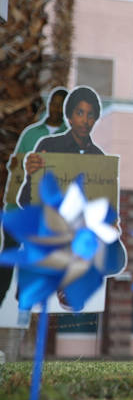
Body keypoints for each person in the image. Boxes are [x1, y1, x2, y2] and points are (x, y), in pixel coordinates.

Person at [1, 87, 69, 308]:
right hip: (18, 206)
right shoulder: (31, 133)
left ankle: (24, 300)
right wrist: (14, 164)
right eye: (54, 102)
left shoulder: (70, 137)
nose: (56, 107)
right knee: (10, 251)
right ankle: (1, 295)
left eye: (61, 104)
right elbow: (17, 162)